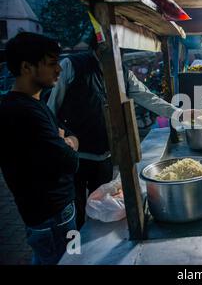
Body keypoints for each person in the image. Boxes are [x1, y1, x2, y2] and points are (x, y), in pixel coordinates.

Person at [47, 34, 191, 229]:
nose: (118, 53)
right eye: (113, 47)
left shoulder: (122, 72)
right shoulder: (72, 65)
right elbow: (51, 108)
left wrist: (178, 113)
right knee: (77, 207)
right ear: (99, 46)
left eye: (120, 49)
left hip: (105, 154)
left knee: (101, 203)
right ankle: (75, 248)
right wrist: (57, 141)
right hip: (75, 156)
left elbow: (147, 97)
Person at [0, 32, 79, 264]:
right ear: (27, 67)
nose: (59, 70)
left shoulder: (36, 103)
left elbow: (69, 135)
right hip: (51, 216)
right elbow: (69, 161)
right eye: (52, 63)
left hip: (51, 213)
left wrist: (66, 139)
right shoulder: (23, 112)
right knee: (64, 261)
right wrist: (66, 142)